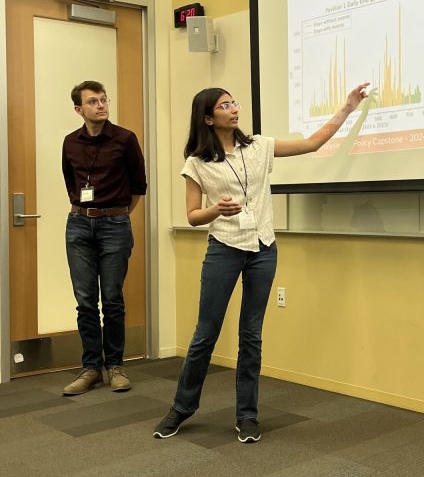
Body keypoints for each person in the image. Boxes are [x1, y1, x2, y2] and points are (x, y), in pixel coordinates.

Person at [153, 82, 369, 443]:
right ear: (208, 118)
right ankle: (181, 407)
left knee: (250, 336)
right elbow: (191, 216)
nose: (234, 108)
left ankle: (248, 415)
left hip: (263, 248)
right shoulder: (196, 163)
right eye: (225, 105)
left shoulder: (259, 146)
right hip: (224, 248)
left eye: (234, 102)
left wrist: (347, 107)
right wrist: (215, 209)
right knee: (206, 333)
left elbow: (313, 143)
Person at [61, 80, 147, 395]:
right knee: (85, 301)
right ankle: (91, 369)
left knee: (112, 299)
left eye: (104, 99)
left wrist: (118, 214)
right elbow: (70, 181)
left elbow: (139, 185)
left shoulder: (125, 139)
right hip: (79, 225)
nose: (101, 105)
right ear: (78, 109)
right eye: (93, 101)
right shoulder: (70, 142)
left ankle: (115, 366)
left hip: (114, 224)